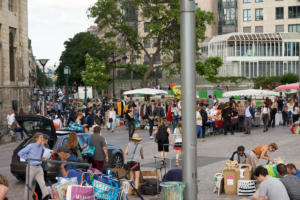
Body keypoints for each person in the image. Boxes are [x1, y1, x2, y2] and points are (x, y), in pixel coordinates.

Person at [18, 133, 50, 200]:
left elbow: (46, 153)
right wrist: (27, 158)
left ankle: (46, 196)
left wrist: (45, 157)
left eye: (42, 137)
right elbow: (20, 153)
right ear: (36, 139)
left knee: (42, 184)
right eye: (41, 137)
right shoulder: (31, 146)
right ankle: (26, 198)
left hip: (39, 167)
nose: (42, 139)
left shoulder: (42, 146)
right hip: (31, 167)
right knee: (28, 185)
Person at [34, 135, 50, 200]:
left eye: (47, 139)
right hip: (39, 167)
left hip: (45, 167)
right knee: (40, 183)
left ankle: (38, 196)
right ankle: (37, 196)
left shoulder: (47, 146)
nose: (47, 141)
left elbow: (47, 155)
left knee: (41, 183)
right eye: (46, 139)